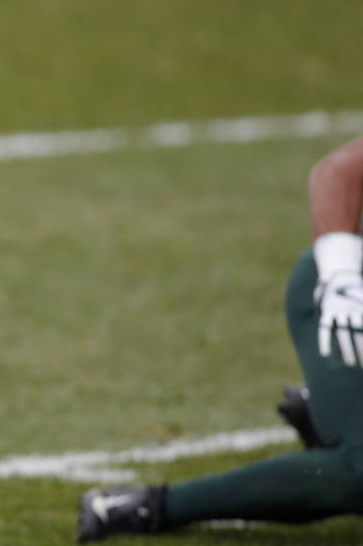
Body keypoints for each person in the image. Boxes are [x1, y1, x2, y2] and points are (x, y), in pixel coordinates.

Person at [75, 134, 363, 542]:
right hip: (343, 305)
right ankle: (148, 505)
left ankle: (334, 409)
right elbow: (338, 172)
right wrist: (342, 278)